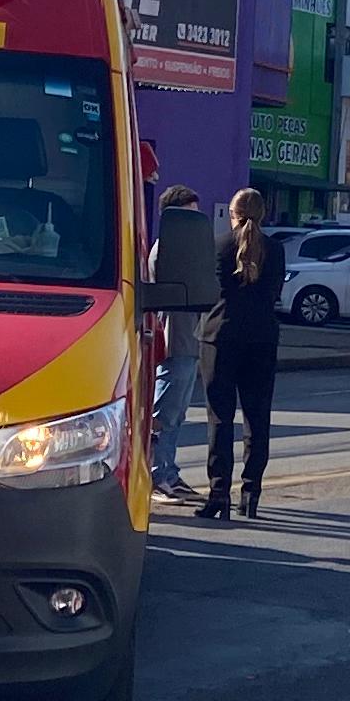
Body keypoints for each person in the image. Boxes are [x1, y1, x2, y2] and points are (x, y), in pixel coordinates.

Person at [196, 186, 282, 521]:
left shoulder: (218, 245)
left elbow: (208, 290)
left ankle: (219, 495)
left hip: (220, 336)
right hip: (262, 338)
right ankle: (251, 495)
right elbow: (274, 293)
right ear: (263, 215)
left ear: (232, 214)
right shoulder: (275, 250)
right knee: (257, 419)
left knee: (220, 418)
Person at [144, 184, 217, 502]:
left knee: (178, 411)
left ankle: (168, 471)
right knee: (166, 411)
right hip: (175, 338)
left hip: (190, 338)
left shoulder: (187, 250)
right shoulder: (167, 250)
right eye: (189, 214)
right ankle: (158, 475)